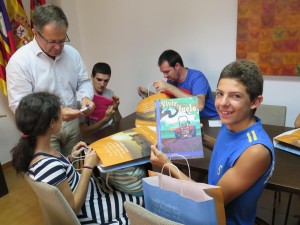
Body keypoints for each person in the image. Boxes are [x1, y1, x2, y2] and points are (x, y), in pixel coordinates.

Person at [150, 60, 275, 225]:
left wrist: (168, 165)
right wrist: (202, 138)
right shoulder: (232, 122)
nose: (223, 103)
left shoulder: (256, 151)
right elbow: (230, 152)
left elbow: (207, 201)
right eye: (220, 93)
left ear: (255, 102)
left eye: (235, 96)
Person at [11, 92, 143, 224]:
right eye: (60, 114)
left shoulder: (36, 152)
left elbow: (60, 175)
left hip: (93, 192)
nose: (62, 117)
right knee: (142, 197)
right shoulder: (48, 166)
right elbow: (72, 208)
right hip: (91, 209)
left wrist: (70, 158)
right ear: (52, 123)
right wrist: (87, 167)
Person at [6, 4, 95, 156]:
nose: (59, 47)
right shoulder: (19, 62)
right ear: (35, 33)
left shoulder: (72, 54)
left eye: (62, 40)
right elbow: (20, 106)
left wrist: (85, 97)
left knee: (76, 168)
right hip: (44, 130)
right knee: (56, 175)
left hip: (72, 125)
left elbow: (83, 82)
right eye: (52, 41)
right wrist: (57, 112)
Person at [138, 49, 219, 118]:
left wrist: (169, 87)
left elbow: (199, 105)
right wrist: (149, 94)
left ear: (177, 66)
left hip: (209, 120)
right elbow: (168, 102)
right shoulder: (172, 80)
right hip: (190, 119)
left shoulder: (197, 77)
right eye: (163, 73)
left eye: (167, 72)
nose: (165, 76)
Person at [80, 62, 122, 137]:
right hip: (95, 137)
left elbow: (119, 122)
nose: (102, 84)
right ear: (92, 77)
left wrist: (116, 109)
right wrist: (105, 119)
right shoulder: (85, 97)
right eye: (99, 79)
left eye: (106, 81)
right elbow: (83, 132)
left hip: (111, 134)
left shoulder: (110, 93)